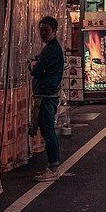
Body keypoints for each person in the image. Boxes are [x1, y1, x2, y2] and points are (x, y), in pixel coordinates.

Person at [30, 16, 64, 180]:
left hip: (46, 95)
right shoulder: (51, 48)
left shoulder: (52, 50)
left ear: (54, 31)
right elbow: (38, 68)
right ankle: (52, 166)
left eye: (46, 30)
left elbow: (35, 70)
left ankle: (53, 168)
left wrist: (34, 65)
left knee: (48, 130)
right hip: (47, 94)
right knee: (46, 130)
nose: (43, 33)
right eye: (41, 29)